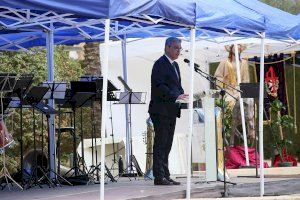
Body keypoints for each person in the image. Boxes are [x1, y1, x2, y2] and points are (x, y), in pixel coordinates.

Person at [148, 37, 188, 185]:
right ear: (167, 48)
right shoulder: (159, 64)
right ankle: (158, 176)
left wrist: (182, 95)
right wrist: (175, 95)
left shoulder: (175, 65)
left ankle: (166, 174)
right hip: (160, 110)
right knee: (161, 143)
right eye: (176, 48)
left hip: (171, 110)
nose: (178, 51)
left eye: (180, 48)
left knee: (168, 144)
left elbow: (177, 85)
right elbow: (159, 86)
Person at [214, 44, 255, 145]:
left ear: (241, 49)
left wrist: (243, 88)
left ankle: (251, 127)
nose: (237, 48)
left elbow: (246, 79)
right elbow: (218, 76)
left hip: (239, 89)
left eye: (239, 47)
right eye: (235, 46)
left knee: (250, 100)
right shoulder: (224, 62)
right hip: (228, 89)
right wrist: (223, 85)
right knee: (228, 103)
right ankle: (226, 127)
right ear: (231, 49)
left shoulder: (244, 63)